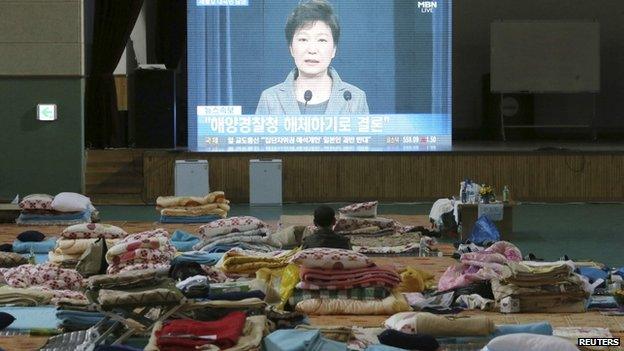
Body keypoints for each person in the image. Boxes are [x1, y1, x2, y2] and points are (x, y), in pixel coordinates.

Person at [256, 0, 369, 115]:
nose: (312, 50)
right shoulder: (270, 99)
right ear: (291, 48)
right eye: (303, 39)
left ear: (334, 49)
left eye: (321, 40)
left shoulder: (354, 99)